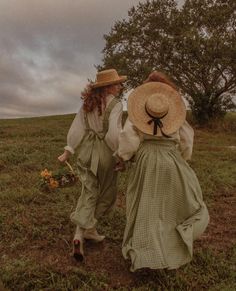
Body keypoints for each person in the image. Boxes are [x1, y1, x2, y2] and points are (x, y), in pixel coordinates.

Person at [117, 72, 209, 271]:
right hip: (170, 158)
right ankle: (169, 243)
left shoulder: (138, 113)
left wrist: (123, 157)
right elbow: (187, 140)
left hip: (145, 159)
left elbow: (128, 137)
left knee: (145, 202)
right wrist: (181, 160)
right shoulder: (174, 112)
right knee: (169, 204)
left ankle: (145, 247)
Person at [58, 68, 127, 261]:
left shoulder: (87, 103)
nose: (120, 86)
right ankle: (87, 228)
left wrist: (69, 150)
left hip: (86, 152)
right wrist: (120, 154)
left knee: (88, 192)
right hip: (105, 152)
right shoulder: (116, 104)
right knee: (107, 194)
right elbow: (114, 134)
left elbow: (77, 126)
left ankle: (83, 232)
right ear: (109, 87)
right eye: (117, 83)